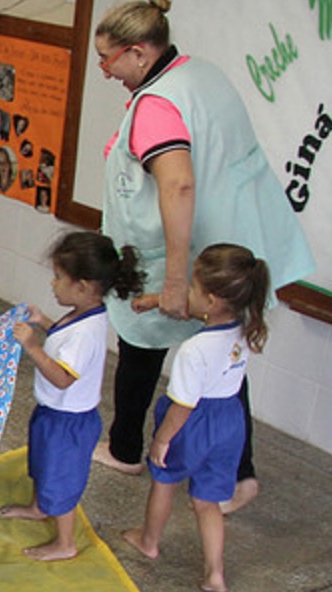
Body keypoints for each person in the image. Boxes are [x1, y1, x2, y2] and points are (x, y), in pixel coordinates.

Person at [90, 0, 315, 515]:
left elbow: (179, 185)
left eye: (108, 59)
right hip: (235, 243)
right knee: (215, 359)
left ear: (139, 52)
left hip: (193, 251)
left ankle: (219, 472)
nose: (104, 70)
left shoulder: (157, 106)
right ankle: (136, 448)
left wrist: (175, 281)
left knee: (159, 349)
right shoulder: (200, 74)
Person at [121, 244, 270, 592]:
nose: (187, 292)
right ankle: (215, 573)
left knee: (164, 480)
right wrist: (157, 300)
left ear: (213, 300)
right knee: (207, 501)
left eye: (192, 287)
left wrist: (161, 440)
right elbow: (201, 312)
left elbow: (183, 406)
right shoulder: (243, 327)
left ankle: (148, 541)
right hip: (230, 422)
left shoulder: (193, 351)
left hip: (193, 422)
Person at [0, 232, 144, 561]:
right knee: (42, 463)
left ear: (82, 286)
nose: (53, 284)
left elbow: (63, 377)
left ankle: (65, 543)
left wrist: (31, 346)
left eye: (58, 277)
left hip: (69, 422)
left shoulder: (86, 332)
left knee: (60, 478)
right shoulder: (83, 312)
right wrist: (43, 322)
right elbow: (63, 339)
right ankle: (39, 508)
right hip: (53, 413)